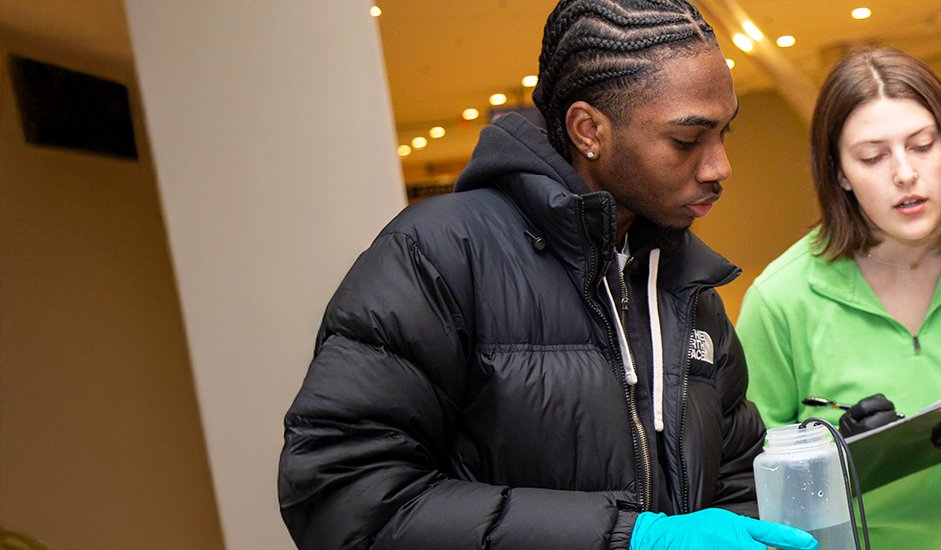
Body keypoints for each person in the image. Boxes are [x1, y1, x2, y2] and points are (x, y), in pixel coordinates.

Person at [278, 1, 817, 549]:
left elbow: (734, 478)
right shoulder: (438, 255)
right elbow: (341, 495)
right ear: (588, 130)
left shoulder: (683, 283)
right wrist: (628, 538)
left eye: (725, 132)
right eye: (686, 140)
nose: (719, 166)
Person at [738, 47, 941, 549]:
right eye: (872, 156)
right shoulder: (780, 298)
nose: (905, 173)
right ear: (839, 173)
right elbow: (747, 466)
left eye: (922, 145)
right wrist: (835, 448)